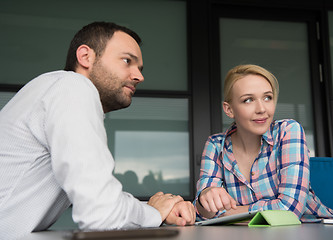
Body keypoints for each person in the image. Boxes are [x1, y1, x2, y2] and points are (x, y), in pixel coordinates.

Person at [0, 22, 195, 239]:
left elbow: (99, 199)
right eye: (127, 61)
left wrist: (156, 208)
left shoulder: (55, 89)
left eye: (139, 69)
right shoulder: (72, 87)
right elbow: (102, 214)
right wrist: (153, 212)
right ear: (85, 57)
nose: (139, 77)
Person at [194, 64, 333, 222]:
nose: (262, 108)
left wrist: (226, 213)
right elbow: (202, 213)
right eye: (248, 100)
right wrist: (205, 196)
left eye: (267, 97)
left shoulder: (288, 131)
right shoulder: (215, 145)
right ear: (229, 109)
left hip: (315, 229)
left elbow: (289, 211)